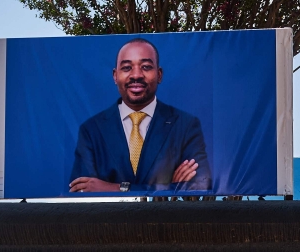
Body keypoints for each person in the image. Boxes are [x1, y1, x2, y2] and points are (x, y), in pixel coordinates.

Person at [69, 38, 212, 194]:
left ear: (159, 74)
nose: (136, 75)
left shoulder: (185, 125)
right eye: (127, 68)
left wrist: (117, 188)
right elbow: (83, 194)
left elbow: (199, 187)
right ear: (115, 76)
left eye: (146, 67)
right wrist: (169, 188)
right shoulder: (91, 130)